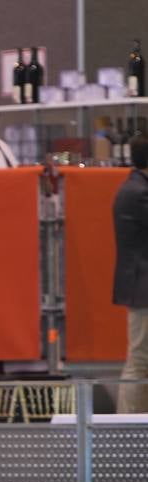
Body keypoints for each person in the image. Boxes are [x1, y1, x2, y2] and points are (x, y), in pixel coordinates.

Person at [113, 133, 148, 413]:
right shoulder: (138, 193)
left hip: (141, 286)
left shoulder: (136, 188)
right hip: (143, 288)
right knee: (139, 360)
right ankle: (127, 426)